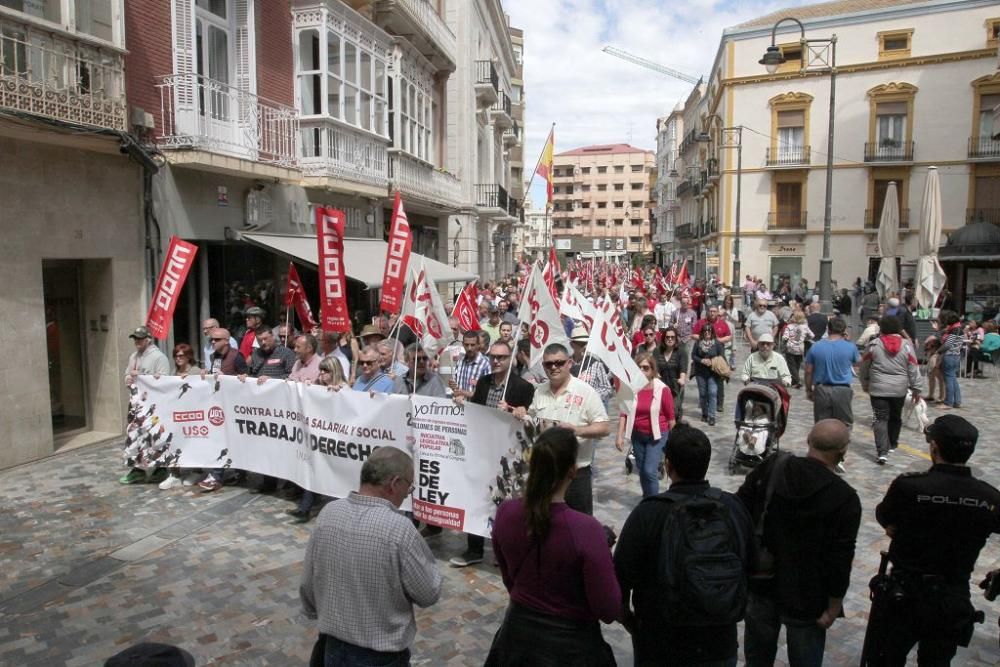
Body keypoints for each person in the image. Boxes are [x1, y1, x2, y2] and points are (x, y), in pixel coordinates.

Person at [615, 424, 753, 666]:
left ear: (668, 466)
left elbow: (621, 577)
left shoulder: (650, 512)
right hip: (718, 640)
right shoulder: (732, 508)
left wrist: (630, 621)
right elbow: (750, 564)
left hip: (660, 641)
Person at [486, 428, 621, 666]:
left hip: (517, 637)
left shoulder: (506, 512)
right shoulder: (586, 530)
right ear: (573, 471)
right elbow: (608, 608)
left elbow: (510, 578)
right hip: (570, 647)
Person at [873, 415, 1000, 665]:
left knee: (886, 658)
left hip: (905, 592)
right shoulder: (989, 497)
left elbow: (886, 519)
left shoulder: (910, 487)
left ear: (934, 447)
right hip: (953, 595)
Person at [300, 446, 441, 666]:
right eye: (409, 486)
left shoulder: (328, 514)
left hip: (332, 647)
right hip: (380, 656)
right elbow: (428, 593)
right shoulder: (400, 529)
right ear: (394, 484)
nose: (407, 493)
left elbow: (308, 584)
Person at [737, 420, 861, 667]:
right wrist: (834, 605)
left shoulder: (775, 466)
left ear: (808, 440)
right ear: (842, 453)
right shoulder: (844, 497)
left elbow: (741, 510)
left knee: (757, 659)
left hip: (763, 580)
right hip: (809, 595)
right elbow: (840, 558)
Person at [449, 340, 536, 567]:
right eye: (493, 357)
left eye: (501, 357)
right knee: (477, 498)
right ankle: (475, 548)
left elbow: (529, 420)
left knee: (507, 502)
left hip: (509, 455)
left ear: (511, 359)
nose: (496, 361)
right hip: (481, 449)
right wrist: (462, 403)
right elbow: (476, 411)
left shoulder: (523, 387)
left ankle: (505, 549)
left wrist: (516, 411)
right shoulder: (484, 382)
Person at [527, 343, 611, 515]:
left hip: (576, 473)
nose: (554, 367)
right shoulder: (539, 392)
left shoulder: (585, 391)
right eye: (548, 364)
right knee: (544, 522)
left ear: (569, 363)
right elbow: (531, 420)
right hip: (547, 472)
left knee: (580, 525)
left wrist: (576, 430)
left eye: (559, 362)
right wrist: (521, 413)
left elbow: (604, 427)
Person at [286, 357, 350, 523]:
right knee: (312, 471)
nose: (321, 374)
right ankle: (304, 509)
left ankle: (333, 513)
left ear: (334, 371)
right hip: (318, 439)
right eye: (320, 370)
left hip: (335, 441)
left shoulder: (344, 388)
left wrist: (337, 393)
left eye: (325, 371)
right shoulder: (319, 387)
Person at [859, 316, 922, 465]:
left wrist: (865, 382)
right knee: (895, 416)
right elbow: (914, 368)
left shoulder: (874, 345)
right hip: (899, 389)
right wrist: (916, 388)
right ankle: (893, 443)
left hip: (878, 389)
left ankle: (882, 452)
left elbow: (864, 366)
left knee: (880, 419)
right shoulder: (907, 346)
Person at [615, 352, 676, 497]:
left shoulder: (663, 389)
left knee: (649, 470)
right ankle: (647, 498)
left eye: (646, 368)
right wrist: (619, 436)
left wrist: (675, 441)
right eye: (639, 368)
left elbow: (671, 418)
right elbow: (624, 412)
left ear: (652, 370)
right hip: (637, 435)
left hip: (657, 435)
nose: (642, 371)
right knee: (642, 470)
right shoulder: (631, 388)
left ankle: (653, 502)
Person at [120, 326, 171, 485]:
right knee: (135, 436)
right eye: (135, 338)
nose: (137, 341)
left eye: (140, 338)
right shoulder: (133, 356)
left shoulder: (159, 357)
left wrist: (141, 376)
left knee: (155, 436)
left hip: (153, 406)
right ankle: (137, 469)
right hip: (137, 404)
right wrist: (128, 378)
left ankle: (161, 468)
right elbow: (127, 374)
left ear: (148, 339)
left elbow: (164, 381)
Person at [157, 343, 199, 490]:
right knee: (172, 443)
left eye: (181, 355)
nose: (178, 358)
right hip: (176, 416)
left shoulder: (196, 371)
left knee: (194, 443)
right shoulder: (174, 373)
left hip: (193, 416)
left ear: (188, 356)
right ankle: (174, 474)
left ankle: (196, 471)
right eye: (175, 355)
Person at [804, 317, 859, 427]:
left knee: (822, 424)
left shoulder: (816, 346)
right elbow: (858, 364)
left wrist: (809, 390)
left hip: (822, 389)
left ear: (828, 329)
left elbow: (808, 371)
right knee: (844, 424)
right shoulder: (850, 347)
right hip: (843, 390)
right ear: (844, 331)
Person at [694, 305, 733, 411]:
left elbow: (729, 336)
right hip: (703, 355)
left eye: (714, 311)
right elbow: (694, 335)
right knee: (704, 381)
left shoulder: (722, 323)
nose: (712, 313)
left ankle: (720, 403)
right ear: (707, 312)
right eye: (710, 311)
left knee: (719, 378)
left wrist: (717, 340)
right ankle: (705, 402)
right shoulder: (701, 322)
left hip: (718, 355)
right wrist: (704, 338)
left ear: (717, 313)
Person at [690, 324, 726, 426]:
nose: (707, 332)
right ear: (702, 332)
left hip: (713, 373)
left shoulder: (717, 344)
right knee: (703, 394)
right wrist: (701, 360)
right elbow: (693, 355)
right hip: (700, 372)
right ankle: (704, 414)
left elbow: (722, 357)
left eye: (709, 330)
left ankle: (712, 416)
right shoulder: (698, 343)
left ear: (712, 332)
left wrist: (712, 361)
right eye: (705, 331)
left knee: (713, 393)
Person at [656, 326, 689, 421]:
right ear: (664, 338)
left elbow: (683, 368)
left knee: (674, 410)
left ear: (676, 338)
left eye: (672, 337)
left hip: (675, 386)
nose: (670, 339)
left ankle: (675, 429)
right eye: (667, 337)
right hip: (661, 385)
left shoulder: (681, 352)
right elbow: (654, 365)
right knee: (660, 410)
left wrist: (682, 378)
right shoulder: (657, 351)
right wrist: (656, 374)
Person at [450, 330, 491, 399]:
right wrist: (453, 385)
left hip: (475, 408)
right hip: (458, 406)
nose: (469, 348)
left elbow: (487, 392)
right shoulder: (460, 361)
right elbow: (456, 385)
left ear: (478, 345)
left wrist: (464, 393)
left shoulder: (486, 364)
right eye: (466, 345)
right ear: (463, 344)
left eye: (472, 345)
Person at [938, 310, 964, 409]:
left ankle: (948, 402)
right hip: (956, 356)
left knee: (948, 379)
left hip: (949, 356)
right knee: (953, 379)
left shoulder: (955, 330)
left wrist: (938, 352)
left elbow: (947, 345)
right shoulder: (958, 329)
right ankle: (957, 401)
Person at [781, 311, 813, 389]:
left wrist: (786, 340)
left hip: (790, 348)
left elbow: (784, 337)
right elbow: (812, 335)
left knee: (791, 365)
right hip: (800, 348)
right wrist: (804, 338)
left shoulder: (790, 326)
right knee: (797, 364)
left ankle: (797, 380)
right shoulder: (805, 327)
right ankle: (794, 381)